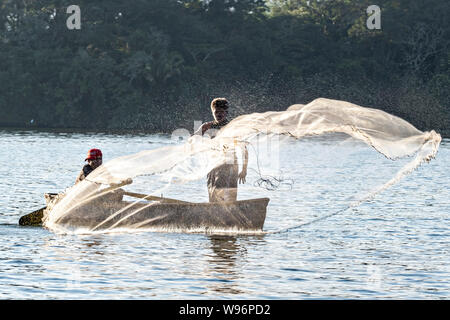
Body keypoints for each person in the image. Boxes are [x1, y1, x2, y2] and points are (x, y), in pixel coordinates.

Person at [195, 98, 248, 202]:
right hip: (213, 165)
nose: (219, 114)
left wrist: (244, 169)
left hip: (230, 166)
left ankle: (231, 214)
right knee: (214, 195)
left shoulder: (233, 127)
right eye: (216, 112)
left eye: (222, 112)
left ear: (226, 113)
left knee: (230, 197)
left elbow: (244, 149)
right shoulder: (207, 126)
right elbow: (193, 139)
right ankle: (213, 213)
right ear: (213, 112)